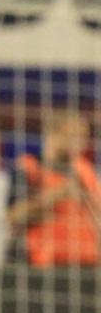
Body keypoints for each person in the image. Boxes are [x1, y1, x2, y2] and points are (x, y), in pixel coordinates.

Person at [7, 112, 101, 267]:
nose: (80, 142)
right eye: (72, 135)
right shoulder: (30, 168)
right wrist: (57, 195)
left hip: (88, 263)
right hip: (44, 264)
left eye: (83, 137)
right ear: (53, 134)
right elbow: (13, 216)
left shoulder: (85, 170)